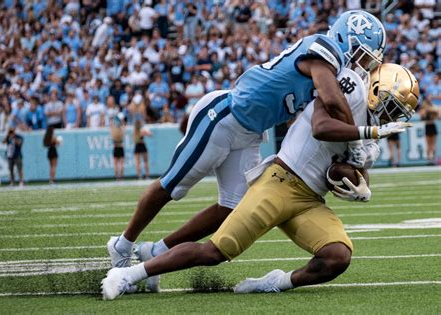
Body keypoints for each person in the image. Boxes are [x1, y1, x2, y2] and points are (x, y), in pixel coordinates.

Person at [106, 11, 392, 290]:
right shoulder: (324, 50)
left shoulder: (336, 71)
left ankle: (156, 250)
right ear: (347, 39)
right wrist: (359, 137)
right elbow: (331, 100)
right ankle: (123, 244)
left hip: (251, 132)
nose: (365, 64)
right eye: (364, 54)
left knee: (230, 209)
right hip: (225, 116)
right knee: (173, 185)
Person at [111, 113, 126, 180]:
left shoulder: (113, 131)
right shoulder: (121, 130)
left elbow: (111, 127)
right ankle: (121, 177)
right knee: (121, 164)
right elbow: (124, 130)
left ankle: (117, 177)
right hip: (121, 146)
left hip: (115, 147)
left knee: (116, 164)